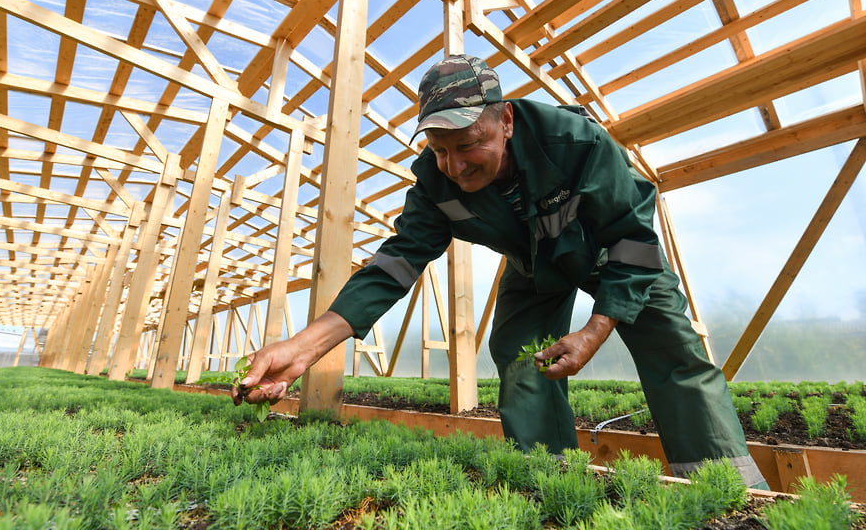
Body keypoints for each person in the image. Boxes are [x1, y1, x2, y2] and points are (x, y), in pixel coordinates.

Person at [232, 54, 767, 488]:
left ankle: (726, 492)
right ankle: (549, 478)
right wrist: (302, 349)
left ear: (505, 121)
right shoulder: (434, 185)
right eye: (440, 150)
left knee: (672, 349)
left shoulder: (575, 144)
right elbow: (394, 264)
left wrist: (595, 328)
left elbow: (631, 235)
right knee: (518, 353)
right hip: (534, 265)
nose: (455, 166)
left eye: (469, 146)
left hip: (613, 257)